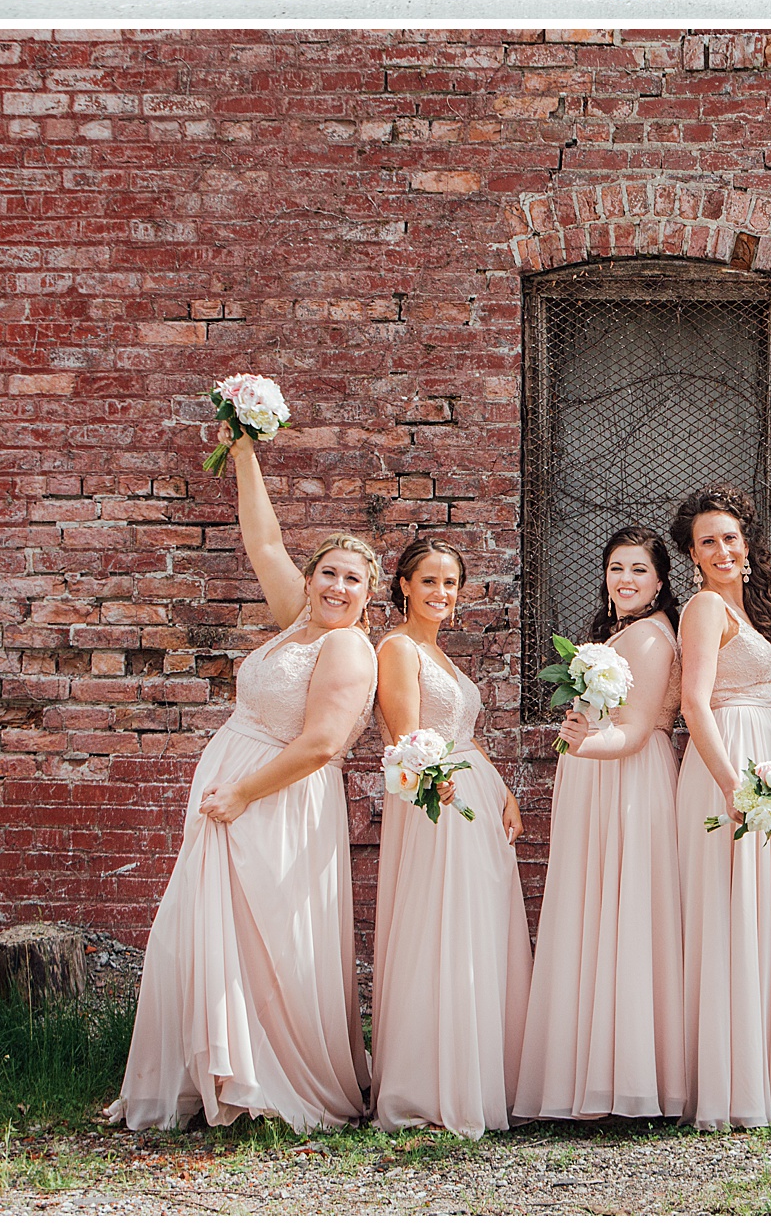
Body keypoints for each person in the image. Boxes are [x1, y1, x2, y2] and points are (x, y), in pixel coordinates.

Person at [110, 433, 377, 1130]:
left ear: (370, 594)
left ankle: (269, 1080)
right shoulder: (298, 619)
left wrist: (242, 792)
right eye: (329, 573)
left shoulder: (347, 643)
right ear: (312, 577)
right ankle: (216, 1073)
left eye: (354, 579)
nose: (337, 587)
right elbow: (263, 539)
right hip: (234, 789)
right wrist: (244, 448)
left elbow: (322, 741)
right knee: (207, 930)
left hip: (275, 798)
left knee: (269, 938)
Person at [516, 526, 688, 1122]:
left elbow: (637, 730)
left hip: (627, 780)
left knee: (622, 914)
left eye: (639, 570)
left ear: (661, 581)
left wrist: (582, 746)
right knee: (604, 914)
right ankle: (601, 1068)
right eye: (617, 567)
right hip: (605, 775)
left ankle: (623, 1077)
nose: (626, 579)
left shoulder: (647, 637)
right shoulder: (622, 632)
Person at [370, 532, 532, 1137]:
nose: (442, 591)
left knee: (477, 931)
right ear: (405, 586)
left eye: (451, 582)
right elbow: (406, 738)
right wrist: (437, 784)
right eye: (430, 580)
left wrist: (505, 790)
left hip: (478, 797)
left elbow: (462, 731)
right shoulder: (398, 649)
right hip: (436, 802)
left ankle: (483, 1074)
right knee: (440, 929)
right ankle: (432, 1085)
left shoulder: (441, 655)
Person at [671, 485, 771, 1129]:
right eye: (708, 541)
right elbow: (694, 704)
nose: (722, 549)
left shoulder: (749, 608)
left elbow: (765, 692)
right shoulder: (704, 608)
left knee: (770, 909)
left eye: (730, 536)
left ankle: (770, 1067)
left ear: (746, 542)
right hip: (727, 762)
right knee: (735, 911)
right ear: (694, 555)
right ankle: (734, 1082)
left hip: (767, 755)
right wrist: (732, 785)